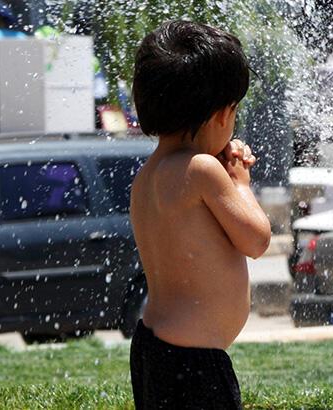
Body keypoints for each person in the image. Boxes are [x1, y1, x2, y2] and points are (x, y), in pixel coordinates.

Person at [128, 20, 271, 409]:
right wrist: (240, 182)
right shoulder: (202, 171)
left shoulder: (148, 176)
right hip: (194, 364)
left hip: (152, 348)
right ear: (222, 115)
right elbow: (256, 239)